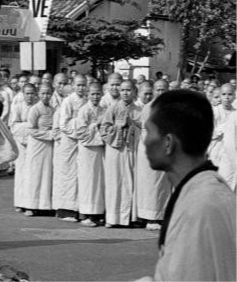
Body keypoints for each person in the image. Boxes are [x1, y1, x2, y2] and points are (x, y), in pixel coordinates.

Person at [134, 90, 237, 282]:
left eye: (148, 131)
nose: (145, 140)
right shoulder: (203, 192)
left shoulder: (199, 208)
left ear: (168, 143)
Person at [100, 79, 142, 227]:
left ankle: (128, 217)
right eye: (123, 90)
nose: (125, 92)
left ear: (135, 92)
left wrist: (132, 126)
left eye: (128, 90)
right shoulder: (112, 108)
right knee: (114, 182)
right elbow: (104, 129)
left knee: (130, 182)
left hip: (131, 149)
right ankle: (112, 218)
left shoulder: (138, 111)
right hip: (115, 149)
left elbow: (143, 131)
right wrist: (118, 128)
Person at [135, 79, 171, 230]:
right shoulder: (148, 108)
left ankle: (160, 216)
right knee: (150, 184)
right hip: (150, 149)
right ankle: (149, 218)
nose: (161, 93)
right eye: (158, 90)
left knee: (163, 185)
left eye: (164, 90)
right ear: (154, 90)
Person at [53, 75, 87, 221]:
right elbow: (64, 124)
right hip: (69, 141)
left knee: (80, 176)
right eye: (78, 85)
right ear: (73, 85)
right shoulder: (68, 101)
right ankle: (66, 210)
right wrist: (79, 127)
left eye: (83, 85)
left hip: (82, 141)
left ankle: (79, 208)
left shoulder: (87, 100)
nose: (81, 88)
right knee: (67, 175)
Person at [76, 82, 106, 227]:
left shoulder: (103, 110)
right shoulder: (83, 110)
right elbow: (80, 133)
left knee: (98, 182)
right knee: (88, 182)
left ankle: (96, 213)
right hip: (87, 150)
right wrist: (96, 125)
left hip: (99, 150)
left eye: (98, 94)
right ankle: (86, 214)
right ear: (88, 95)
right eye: (92, 94)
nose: (95, 97)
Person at [23, 83, 55, 216]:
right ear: (38, 94)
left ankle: (45, 205)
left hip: (48, 147)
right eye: (43, 93)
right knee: (34, 174)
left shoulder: (53, 110)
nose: (45, 96)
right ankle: (30, 205)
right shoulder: (35, 109)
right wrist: (47, 134)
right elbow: (31, 129)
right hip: (37, 145)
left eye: (48, 93)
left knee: (47, 174)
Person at [9, 84, 38, 214]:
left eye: (32, 93)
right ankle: (20, 202)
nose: (30, 96)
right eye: (27, 93)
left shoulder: (38, 107)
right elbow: (14, 126)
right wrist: (29, 127)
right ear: (23, 94)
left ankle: (31, 203)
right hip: (21, 143)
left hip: (36, 144)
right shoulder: (17, 107)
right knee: (21, 173)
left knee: (33, 173)